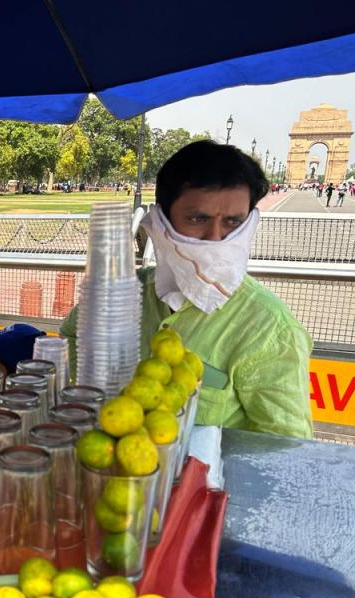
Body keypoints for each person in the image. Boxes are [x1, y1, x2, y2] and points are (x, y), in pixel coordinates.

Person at [61, 140, 313, 439]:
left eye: (233, 222)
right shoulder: (118, 294)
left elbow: (288, 445)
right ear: (162, 219)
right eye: (197, 219)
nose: (215, 238)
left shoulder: (270, 329)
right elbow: (72, 338)